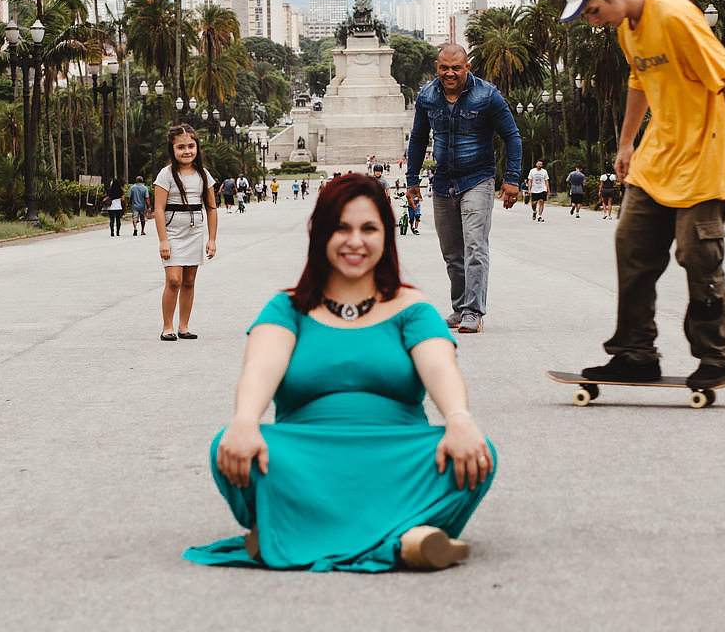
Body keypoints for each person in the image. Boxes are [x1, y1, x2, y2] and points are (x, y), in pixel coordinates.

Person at [183, 174, 495, 571]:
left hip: (395, 455)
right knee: (227, 448)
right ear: (319, 233)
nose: (355, 241)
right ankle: (403, 538)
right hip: (305, 457)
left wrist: (458, 418)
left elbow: (440, 367)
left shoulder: (410, 306)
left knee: (477, 454)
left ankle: (289, 532)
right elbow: (260, 368)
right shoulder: (287, 308)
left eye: (369, 228)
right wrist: (245, 421)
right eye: (341, 228)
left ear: (386, 235)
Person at [558, 0, 725, 389]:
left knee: (698, 254)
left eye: (594, 11)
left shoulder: (674, 16)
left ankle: (715, 357)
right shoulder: (627, 30)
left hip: (705, 156)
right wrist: (626, 141)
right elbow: (639, 81)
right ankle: (635, 352)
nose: (594, 21)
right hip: (659, 155)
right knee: (631, 244)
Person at [405, 43, 523, 334]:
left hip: (477, 180)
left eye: (456, 68)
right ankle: (459, 308)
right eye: (444, 67)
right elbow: (418, 139)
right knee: (452, 253)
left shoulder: (487, 95)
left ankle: (473, 311)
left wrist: (512, 178)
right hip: (443, 182)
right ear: (437, 67)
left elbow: (512, 136)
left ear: (467, 67)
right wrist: (412, 181)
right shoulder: (427, 96)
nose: (450, 73)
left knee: (474, 246)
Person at [154, 124, 218, 341]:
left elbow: (211, 208)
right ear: (172, 149)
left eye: (191, 146)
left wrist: (212, 239)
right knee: (174, 280)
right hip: (172, 233)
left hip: (195, 232)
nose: (187, 151)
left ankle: (184, 326)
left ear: (197, 147)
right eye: (180, 147)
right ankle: (167, 327)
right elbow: (159, 209)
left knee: (189, 281)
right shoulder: (166, 175)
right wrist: (163, 240)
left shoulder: (204, 174)